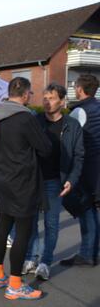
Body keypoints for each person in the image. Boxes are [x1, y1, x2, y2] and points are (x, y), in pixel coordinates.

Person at [0, 77, 51, 300]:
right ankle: (15, 285)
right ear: (25, 94)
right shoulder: (25, 117)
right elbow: (45, 148)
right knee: (23, 232)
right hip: (22, 181)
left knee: (4, 226)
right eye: (30, 93)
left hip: (2, 179)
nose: (30, 97)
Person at [22, 84, 84, 280]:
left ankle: (45, 262)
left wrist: (72, 180)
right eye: (45, 98)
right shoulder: (35, 121)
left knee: (51, 224)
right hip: (34, 179)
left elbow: (79, 156)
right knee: (31, 222)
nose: (47, 102)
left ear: (62, 101)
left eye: (52, 98)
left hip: (56, 181)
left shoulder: (72, 125)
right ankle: (31, 258)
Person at [62, 74, 100, 266]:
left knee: (86, 209)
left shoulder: (79, 111)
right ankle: (93, 251)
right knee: (94, 210)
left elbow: (69, 142)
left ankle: (86, 254)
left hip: (86, 168)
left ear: (79, 89)